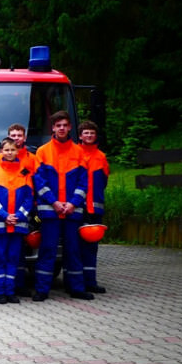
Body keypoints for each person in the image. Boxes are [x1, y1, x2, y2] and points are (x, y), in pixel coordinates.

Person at [33, 110, 92, 301]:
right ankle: (42, 290)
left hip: (72, 212)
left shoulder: (79, 152)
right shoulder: (42, 152)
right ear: (53, 128)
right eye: (58, 125)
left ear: (70, 127)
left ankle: (76, 288)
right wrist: (55, 202)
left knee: (73, 250)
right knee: (47, 250)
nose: (61, 128)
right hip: (50, 212)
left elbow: (84, 182)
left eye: (65, 125)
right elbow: (39, 182)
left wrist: (73, 204)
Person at [0, 123, 38, 297]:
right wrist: (4, 215)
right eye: (7, 150)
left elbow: (29, 197)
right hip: (0, 223)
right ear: (1, 151)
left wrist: (19, 215)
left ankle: (10, 292)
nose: (10, 152)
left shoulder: (24, 172)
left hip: (18, 223)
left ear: (18, 151)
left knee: (14, 257)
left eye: (12, 150)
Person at [78, 120, 110, 293]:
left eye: (92, 133)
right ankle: (75, 282)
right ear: (80, 135)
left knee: (92, 247)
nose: (89, 135)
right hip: (78, 208)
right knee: (75, 246)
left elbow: (104, 181)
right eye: (86, 132)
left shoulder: (101, 157)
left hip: (95, 209)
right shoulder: (75, 154)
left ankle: (91, 282)